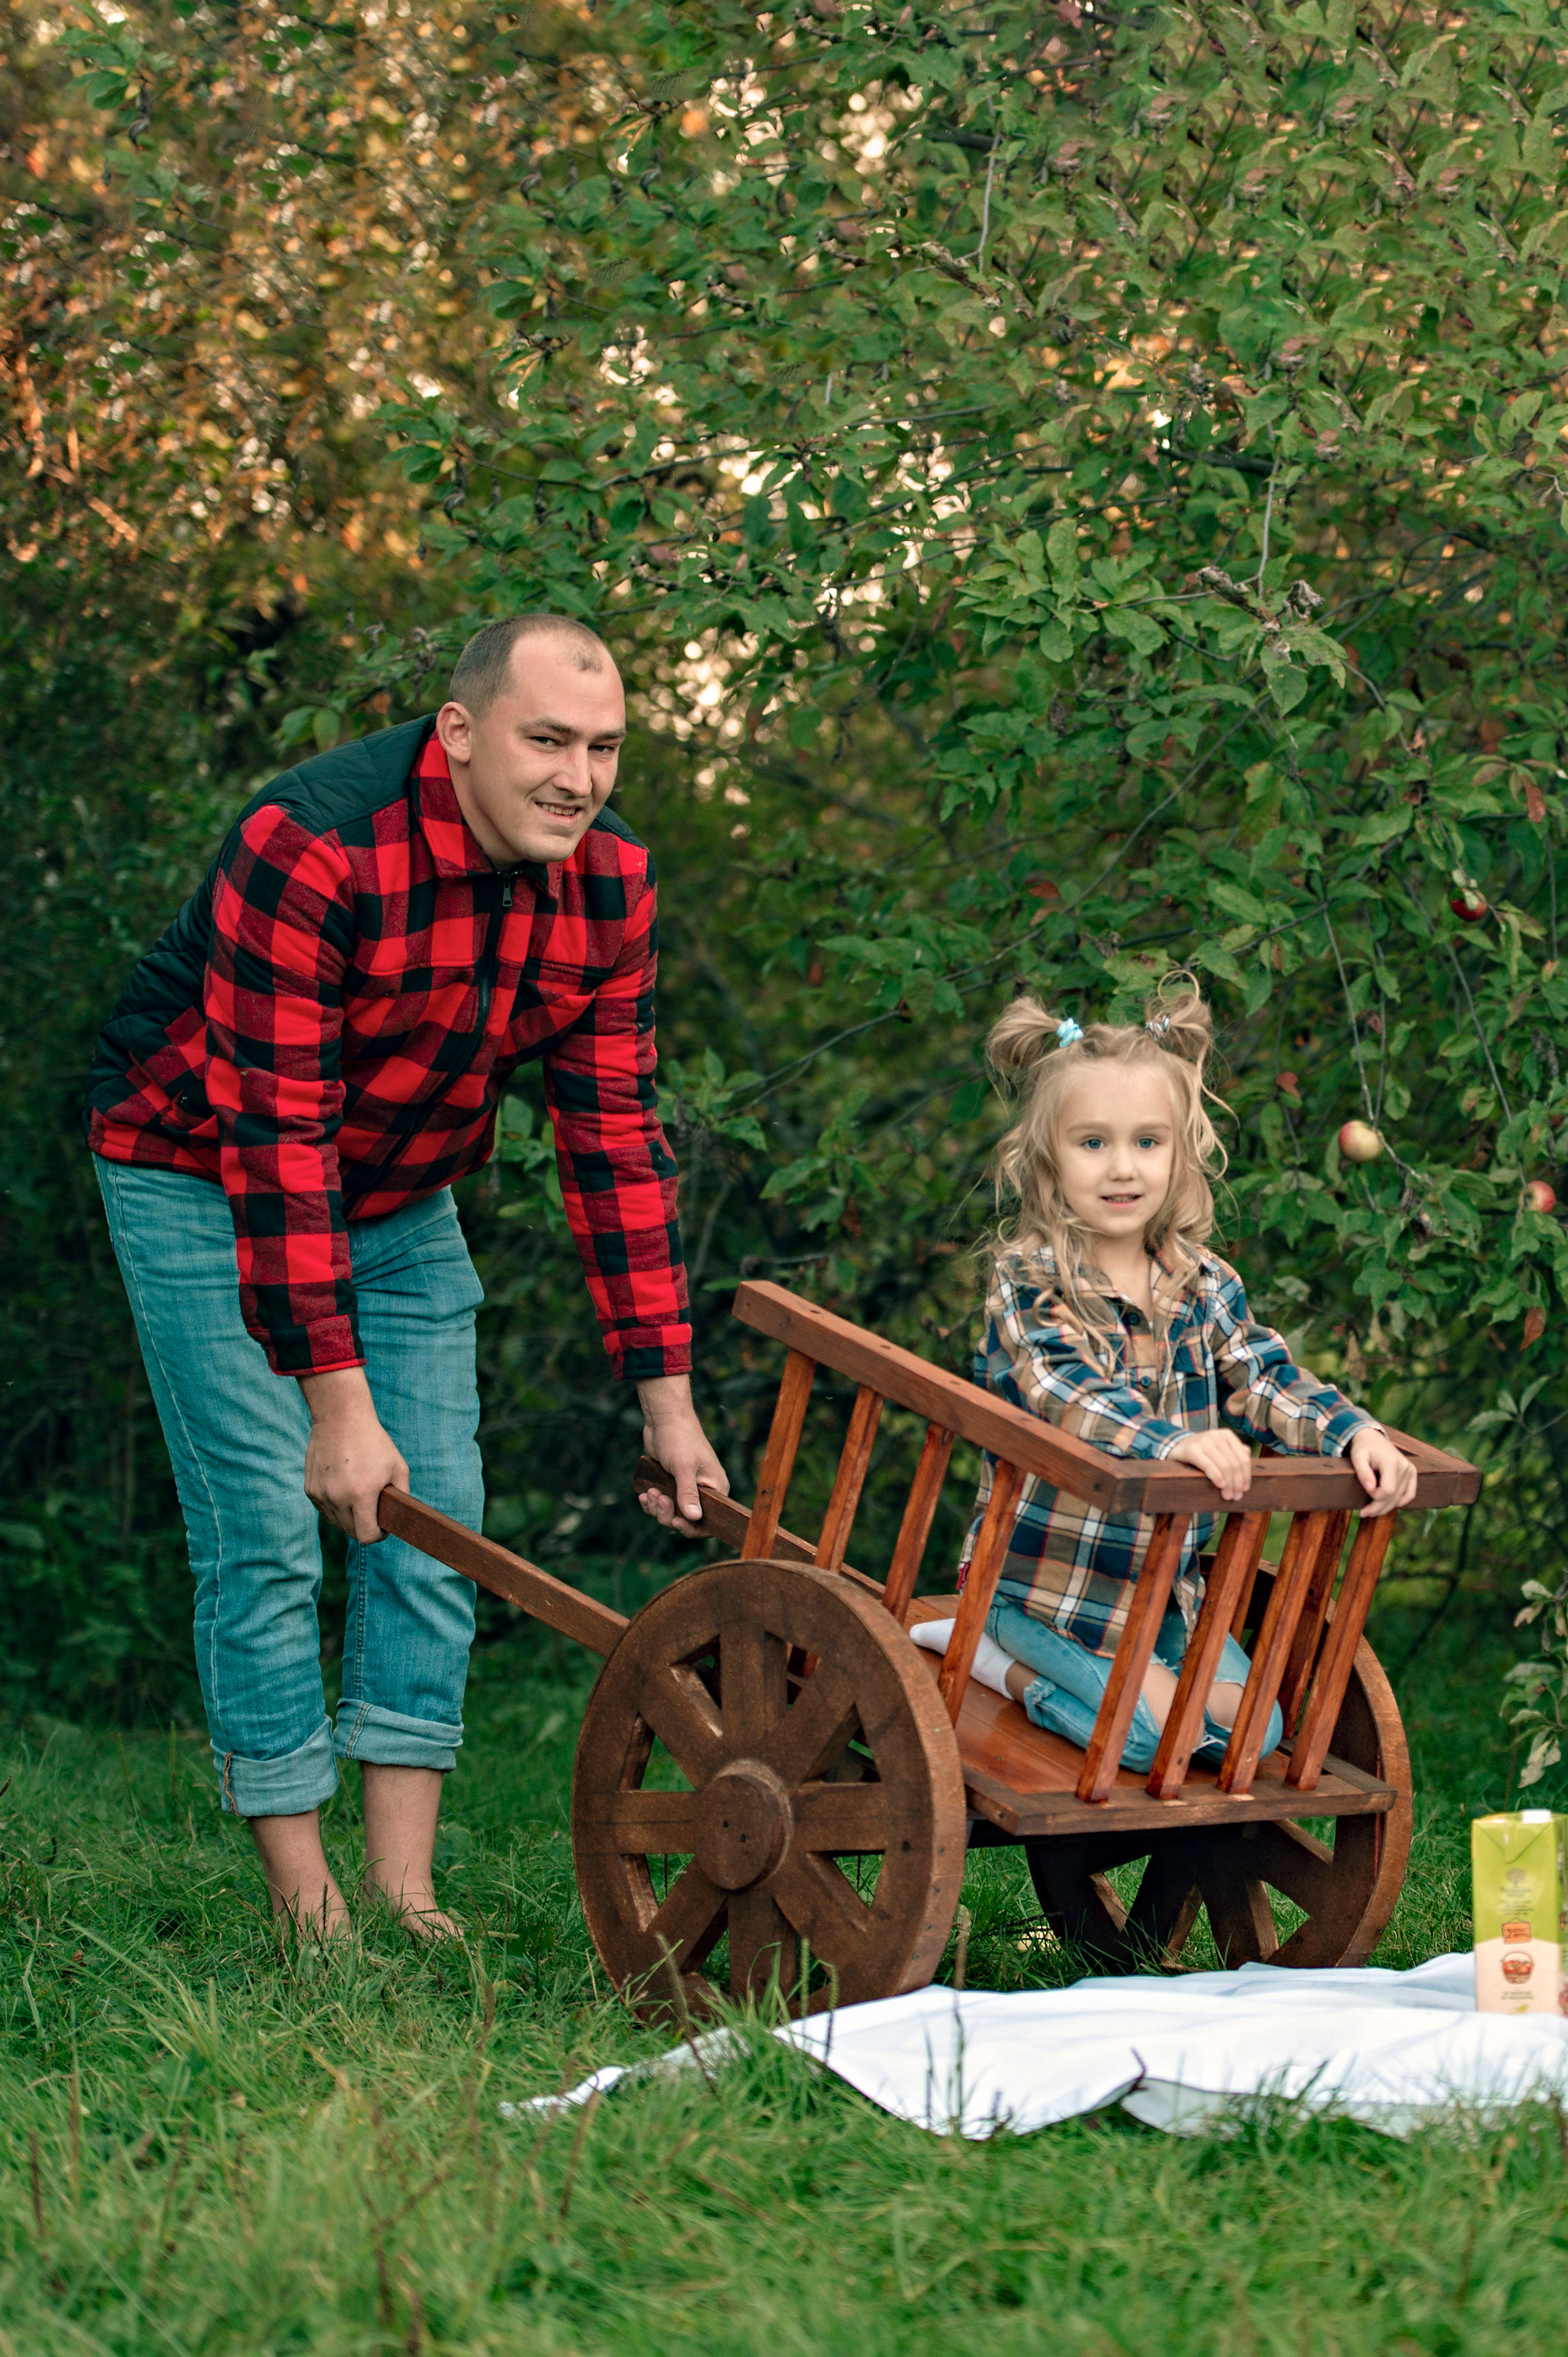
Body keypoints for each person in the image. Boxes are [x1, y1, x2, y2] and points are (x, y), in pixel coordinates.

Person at [85, 613, 726, 1939]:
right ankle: (307, 1903)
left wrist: (666, 1401)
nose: (578, 776)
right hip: (202, 1171)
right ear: (459, 734)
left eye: (603, 747)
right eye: (546, 739)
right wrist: (335, 1399)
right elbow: (276, 1134)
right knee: (268, 1523)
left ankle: (404, 1889)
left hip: (399, 1188)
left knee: (442, 1522)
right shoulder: (310, 843)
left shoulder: (607, 886)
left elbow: (610, 1137)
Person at [914, 977, 1415, 1768]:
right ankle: (986, 1660)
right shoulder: (1029, 1278)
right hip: (1040, 1596)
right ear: (1047, 1157)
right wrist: (1166, 1444)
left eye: (1148, 1142)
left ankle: (1140, 1675)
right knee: (1147, 1737)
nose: (1123, 1168)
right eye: (1093, 1143)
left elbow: (1263, 1374)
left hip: (1165, 1600)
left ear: (1181, 1154)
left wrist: (1356, 1431)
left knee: (1260, 1734)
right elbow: (1062, 1389)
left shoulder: (1205, 1282)